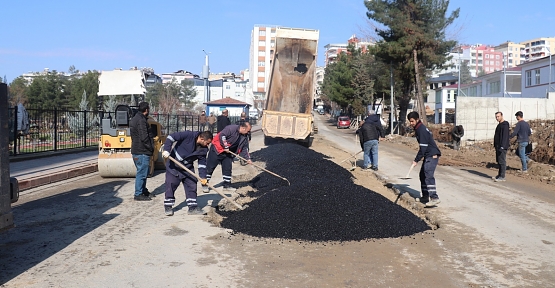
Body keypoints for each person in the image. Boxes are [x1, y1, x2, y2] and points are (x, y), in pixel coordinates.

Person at [161, 130, 213, 216]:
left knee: (192, 184)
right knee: (171, 185)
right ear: (202, 138)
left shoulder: (203, 149)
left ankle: (192, 208)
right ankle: (168, 206)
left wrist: (203, 177)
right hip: (174, 165)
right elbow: (171, 137)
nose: (208, 145)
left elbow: (202, 164)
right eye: (207, 143)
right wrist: (166, 150)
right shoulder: (188, 135)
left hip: (187, 167)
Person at [205, 122, 252, 192]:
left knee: (227, 168)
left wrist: (247, 158)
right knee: (210, 167)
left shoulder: (244, 137)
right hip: (217, 149)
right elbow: (222, 136)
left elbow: (244, 148)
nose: (248, 132)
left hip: (229, 153)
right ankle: (205, 184)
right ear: (243, 128)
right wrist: (225, 146)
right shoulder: (231, 128)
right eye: (248, 130)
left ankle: (227, 185)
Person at [407, 111, 442, 207]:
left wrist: (416, 160)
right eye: (410, 121)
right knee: (422, 175)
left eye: (412, 121)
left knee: (428, 175)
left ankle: (434, 198)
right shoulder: (419, 128)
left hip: (432, 154)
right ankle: (425, 196)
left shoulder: (421, 130)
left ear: (417, 120)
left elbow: (423, 148)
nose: (411, 123)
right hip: (428, 154)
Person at [130, 102, 154, 201]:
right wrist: (150, 147)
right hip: (142, 151)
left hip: (136, 150)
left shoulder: (134, 119)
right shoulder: (141, 120)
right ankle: (138, 193)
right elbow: (144, 137)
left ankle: (143, 190)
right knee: (141, 173)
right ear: (146, 110)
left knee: (143, 171)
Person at [493, 111, 510, 182]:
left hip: (502, 147)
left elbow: (505, 136)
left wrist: (502, 146)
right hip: (498, 146)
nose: (497, 118)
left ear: (502, 116)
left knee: (502, 161)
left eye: (498, 116)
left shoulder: (505, 125)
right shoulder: (499, 125)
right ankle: (499, 175)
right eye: (496, 117)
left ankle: (502, 176)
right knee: (499, 161)